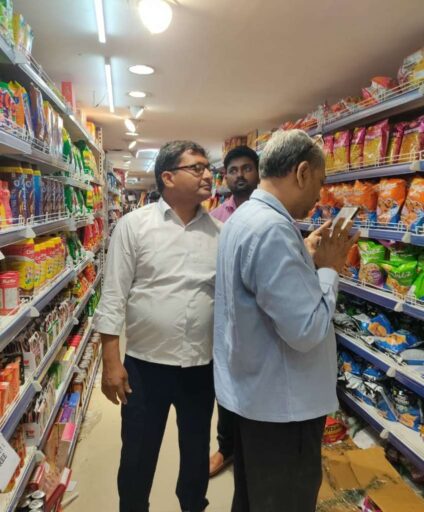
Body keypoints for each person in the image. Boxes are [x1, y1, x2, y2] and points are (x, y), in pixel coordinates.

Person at [213, 129, 360, 512]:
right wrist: (329, 269)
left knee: (251, 499)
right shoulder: (272, 230)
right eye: (320, 182)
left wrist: (302, 255)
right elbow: (306, 330)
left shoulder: (245, 219)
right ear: (301, 172)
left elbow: (260, 288)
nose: (320, 195)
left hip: (255, 398)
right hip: (283, 410)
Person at [93, 140, 221, 512]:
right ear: (168, 177)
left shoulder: (220, 232)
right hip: (145, 366)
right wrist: (110, 361)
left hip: (200, 365)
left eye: (208, 167)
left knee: (196, 452)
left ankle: (192, 505)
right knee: (137, 454)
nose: (208, 175)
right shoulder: (134, 226)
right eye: (196, 168)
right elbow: (114, 294)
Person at [209, 145, 260, 477]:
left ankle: (255, 449)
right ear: (225, 176)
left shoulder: (270, 212)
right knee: (226, 382)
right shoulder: (215, 219)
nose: (240, 175)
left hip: (260, 314)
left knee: (258, 381)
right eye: (233, 170)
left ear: (258, 172)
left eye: (247, 168)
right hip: (225, 314)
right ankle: (226, 447)